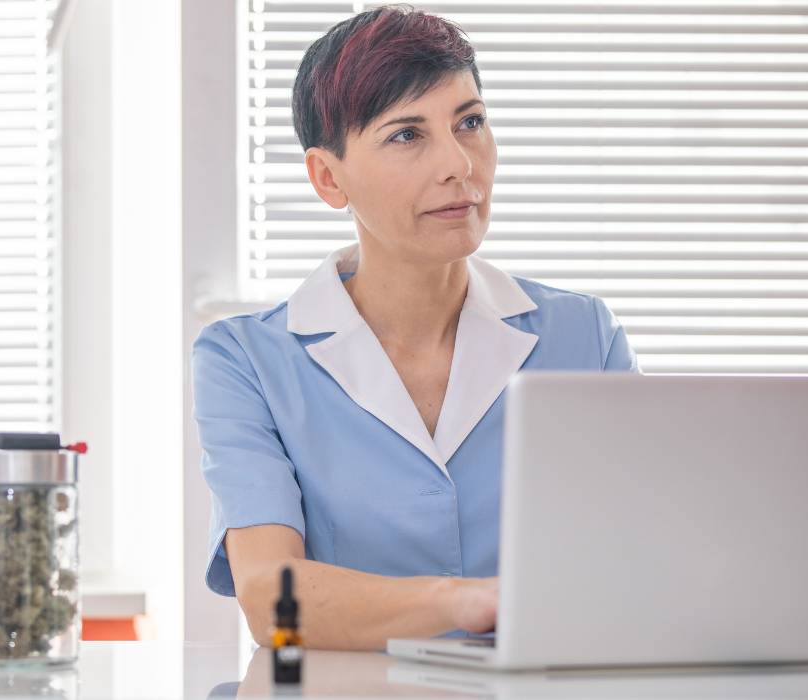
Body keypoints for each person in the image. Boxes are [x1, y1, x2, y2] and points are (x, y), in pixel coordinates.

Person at [191, 5, 640, 651]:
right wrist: (468, 601)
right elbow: (270, 598)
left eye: (470, 122)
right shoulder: (247, 360)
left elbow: (647, 555)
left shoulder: (585, 337)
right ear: (328, 177)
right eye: (407, 134)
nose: (458, 164)